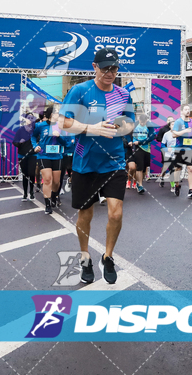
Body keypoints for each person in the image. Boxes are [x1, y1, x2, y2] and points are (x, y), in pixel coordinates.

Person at [60, 49, 135, 285]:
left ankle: (108, 257)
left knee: (116, 212)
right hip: (85, 162)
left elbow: (130, 124)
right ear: (94, 66)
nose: (110, 73)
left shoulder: (123, 94)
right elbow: (63, 122)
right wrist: (92, 128)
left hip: (113, 161)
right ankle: (85, 258)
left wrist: (122, 128)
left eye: (114, 68)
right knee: (86, 214)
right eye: (105, 68)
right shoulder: (80, 90)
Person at [33, 106, 65, 214]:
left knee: (56, 182)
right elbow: (33, 136)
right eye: (57, 113)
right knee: (47, 180)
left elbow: (65, 142)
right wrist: (35, 146)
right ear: (51, 114)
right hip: (43, 155)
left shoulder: (60, 126)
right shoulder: (40, 125)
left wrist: (59, 136)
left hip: (57, 156)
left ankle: (55, 197)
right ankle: (47, 205)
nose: (59, 114)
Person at [171, 104, 192, 198]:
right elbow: (174, 135)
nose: (188, 111)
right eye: (186, 109)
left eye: (189, 109)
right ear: (181, 111)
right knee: (177, 169)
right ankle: (177, 185)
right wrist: (184, 131)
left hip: (189, 148)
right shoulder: (178, 122)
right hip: (179, 148)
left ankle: (190, 190)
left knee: (190, 169)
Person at [13, 113, 37, 201]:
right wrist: (20, 142)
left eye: (32, 118)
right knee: (25, 174)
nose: (30, 119)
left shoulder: (35, 130)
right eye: (28, 118)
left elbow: (39, 139)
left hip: (33, 154)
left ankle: (31, 191)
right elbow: (14, 142)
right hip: (22, 155)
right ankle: (25, 193)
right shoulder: (21, 130)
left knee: (31, 173)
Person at [128, 114, 152, 194]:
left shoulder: (149, 125)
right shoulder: (134, 125)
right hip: (137, 148)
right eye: (141, 122)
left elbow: (152, 137)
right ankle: (140, 185)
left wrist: (140, 142)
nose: (142, 124)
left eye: (143, 122)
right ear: (139, 120)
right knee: (139, 167)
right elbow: (128, 132)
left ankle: (140, 182)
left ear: (146, 121)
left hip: (146, 148)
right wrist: (130, 141)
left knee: (145, 168)